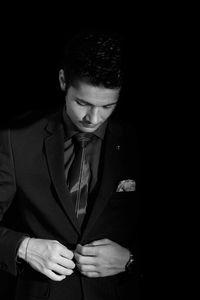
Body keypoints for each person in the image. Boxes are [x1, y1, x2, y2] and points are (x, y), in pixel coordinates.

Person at [0, 30, 140, 300]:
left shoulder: (135, 144)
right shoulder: (15, 139)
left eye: (108, 106)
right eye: (82, 103)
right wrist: (23, 247)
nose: (93, 117)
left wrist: (131, 259)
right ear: (64, 81)